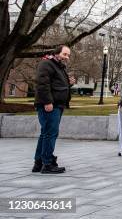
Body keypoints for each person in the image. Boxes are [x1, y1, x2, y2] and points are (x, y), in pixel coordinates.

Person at [32, 45, 75, 174]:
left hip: (57, 104)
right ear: (57, 53)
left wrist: (69, 83)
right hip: (51, 105)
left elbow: (55, 84)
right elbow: (42, 84)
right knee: (50, 133)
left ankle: (39, 163)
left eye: (68, 55)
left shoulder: (58, 66)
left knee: (46, 133)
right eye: (64, 54)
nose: (66, 57)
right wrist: (47, 101)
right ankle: (47, 164)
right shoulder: (46, 64)